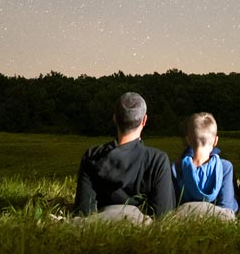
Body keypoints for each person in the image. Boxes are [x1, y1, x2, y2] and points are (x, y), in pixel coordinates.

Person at [73, 92, 175, 223]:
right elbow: (163, 216)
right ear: (144, 120)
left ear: (115, 118)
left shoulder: (92, 156)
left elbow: (82, 211)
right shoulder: (157, 160)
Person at [170, 112, 238, 219]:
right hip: (218, 218)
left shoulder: (175, 168)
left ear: (188, 140)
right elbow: (227, 206)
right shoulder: (225, 167)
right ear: (216, 140)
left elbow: (173, 206)